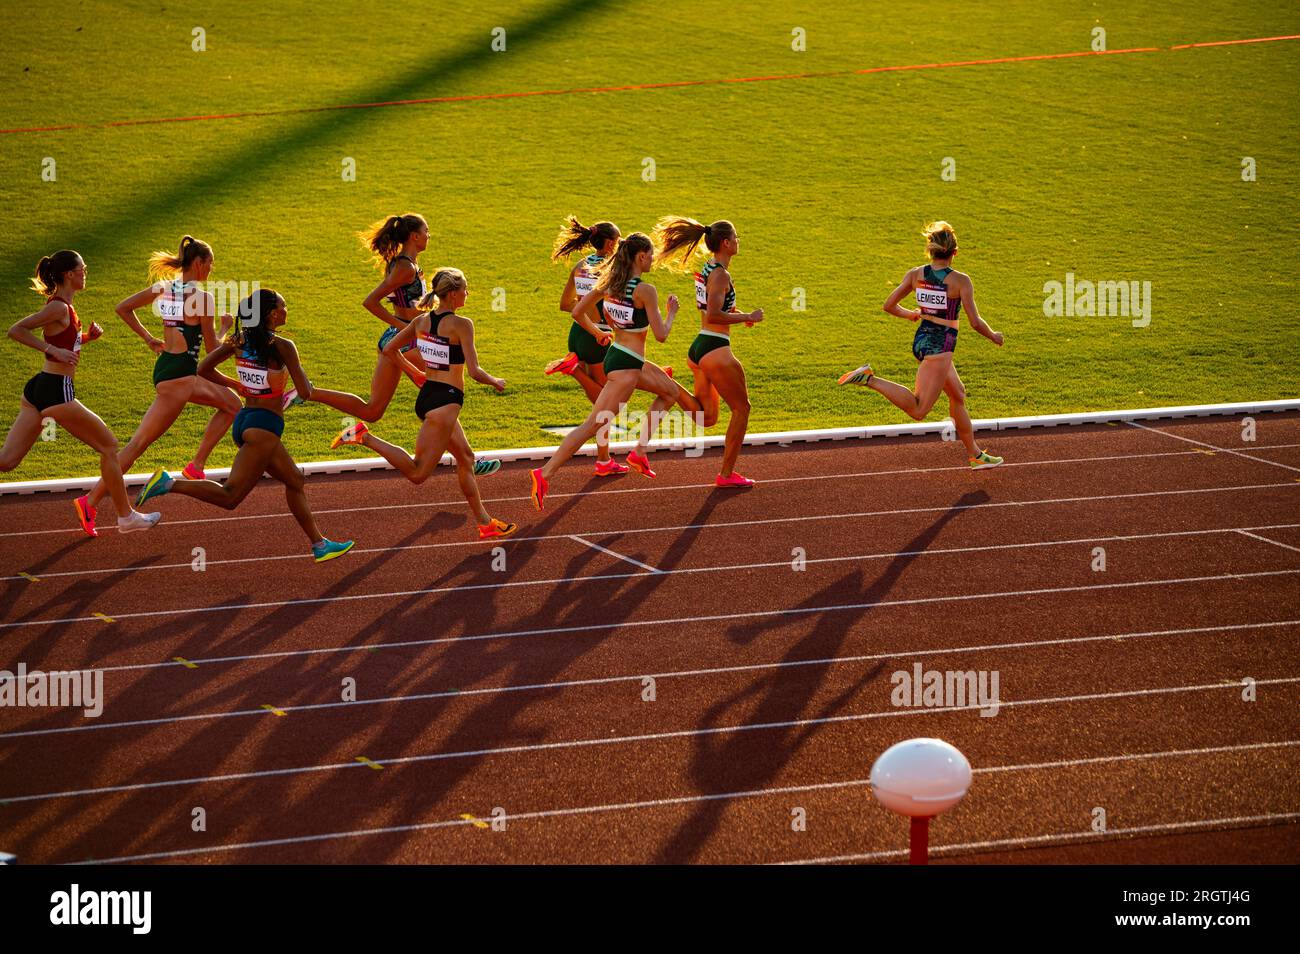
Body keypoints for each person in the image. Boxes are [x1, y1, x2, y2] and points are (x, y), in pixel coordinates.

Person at [136, 289, 354, 562]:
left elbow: (202, 369)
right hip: (264, 426)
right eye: (283, 306)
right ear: (272, 314)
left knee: (294, 479)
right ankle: (169, 484)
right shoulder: (283, 347)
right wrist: (305, 388)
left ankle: (319, 545)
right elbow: (306, 392)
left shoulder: (239, 341)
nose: (287, 310)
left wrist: (237, 385)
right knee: (230, 497)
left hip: (245, 421)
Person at [331, 268, 517, 541]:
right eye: (465, 289)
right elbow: (475, 371)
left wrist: (415, 372)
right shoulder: (462, 325)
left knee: (465, 458)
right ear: (453, 294)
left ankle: (485, 523)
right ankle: (364, 436)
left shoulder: (421, 321)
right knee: (418, 473)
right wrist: (495, 381)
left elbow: (389, 348)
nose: (468, 293)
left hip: (430, 395)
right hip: (445, 404)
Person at [76, 236, 240, 535]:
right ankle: (92, 500)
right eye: (211, 264)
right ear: (200, 263)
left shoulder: (164, 288)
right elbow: (212, 350)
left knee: (231, 404)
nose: (212, 270)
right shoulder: (203, 298)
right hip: (180, 376)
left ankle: (194, 467)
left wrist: (149, 338)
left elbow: (123, 308)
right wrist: (226, 327)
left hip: (170, 368)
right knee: (138, 444)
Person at [529, 232, 702, 510]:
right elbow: (661, 335)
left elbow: (576, 312)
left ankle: (639, 453)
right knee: (593, 424)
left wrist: (603, 327)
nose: (653, 259)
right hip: (625, 366)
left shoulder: (609, 283)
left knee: (669, 391)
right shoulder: (645, 290)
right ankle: (544, 473)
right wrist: (671, 313)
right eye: (651, 254)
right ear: (641, 256)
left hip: (622, 356)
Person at [1, 250, 160, 534]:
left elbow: (63, 342)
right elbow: (16, 330)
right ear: (68, 274)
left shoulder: (66, 308)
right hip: (56, 392)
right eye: (82, 269)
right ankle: (126, 517)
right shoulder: (58, 308)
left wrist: (86, 338)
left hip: (39, 390)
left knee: (7, 462)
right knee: (109, 446)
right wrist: (51, 350)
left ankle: (120, 515)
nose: (86, 273)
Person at [839, 221, 1005, 468]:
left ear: (931, 250)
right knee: (918, 410)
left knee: (957, 394)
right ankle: (869, 378)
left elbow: (889, 306)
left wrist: (912, 314)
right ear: (954, 253)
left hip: (923, 339)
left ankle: (975, 454)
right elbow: (975, 322)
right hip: (941, 346)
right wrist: (993, 336)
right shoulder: (961, 281)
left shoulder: (916, 274)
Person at [654, 216, 763, 488]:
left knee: (708, 418)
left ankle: (668, 385)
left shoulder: (708, 268)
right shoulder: (720, 274)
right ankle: (726, 475)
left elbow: (710, 307)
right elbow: (714, 314)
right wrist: (748, 315)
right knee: (742, 409)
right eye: (736, 238)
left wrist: (737, 315)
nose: (739, 241)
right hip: (715, 347)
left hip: (700, 347)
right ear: (726, 244)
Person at [543, 216, 627, 475]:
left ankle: (603, 460)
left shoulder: (581, 265)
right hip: (598, 337)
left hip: (578, 334)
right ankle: (574, 370)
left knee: (601, 404)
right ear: (611, 243)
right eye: (619, 239)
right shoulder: (612, 268)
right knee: (610, 403)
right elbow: (617, 308)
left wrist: (586, 312)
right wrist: (601, 321)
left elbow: (565, 304)